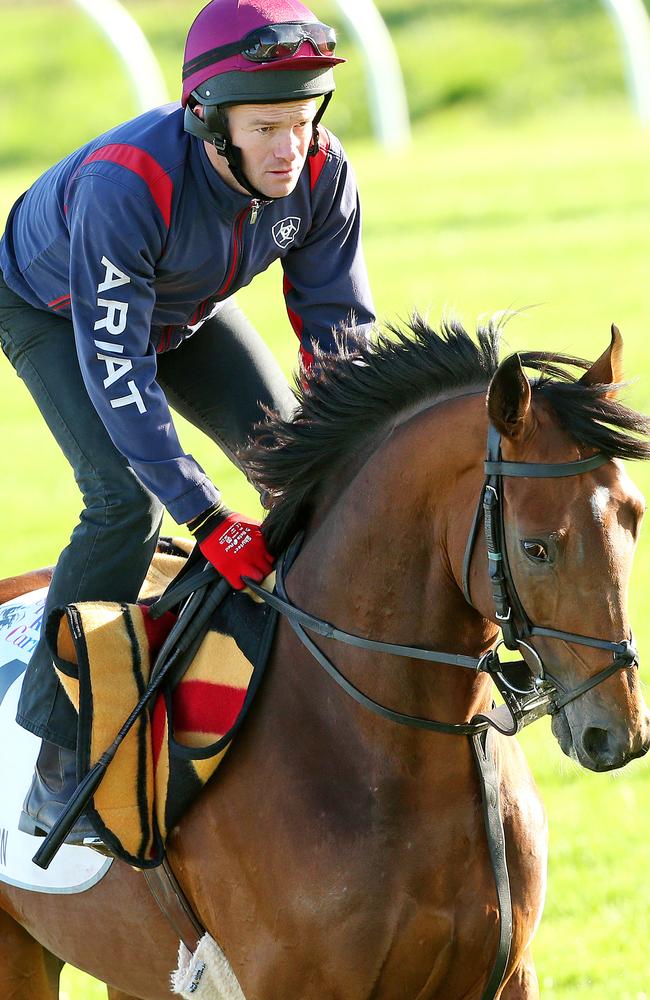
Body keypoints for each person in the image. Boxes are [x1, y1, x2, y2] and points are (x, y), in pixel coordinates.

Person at [0, 0, 375, 843]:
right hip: (55, 311)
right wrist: (205, 516)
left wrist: (346, 454)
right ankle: (59, 757)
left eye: (306, 119)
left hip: (183, 311)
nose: (293, 147)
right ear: (210, 121)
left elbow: (338, 332)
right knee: (122, 503)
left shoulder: (322, 170)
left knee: (304, 467)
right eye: (267, 127)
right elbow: (119, 370)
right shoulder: (125, 185)